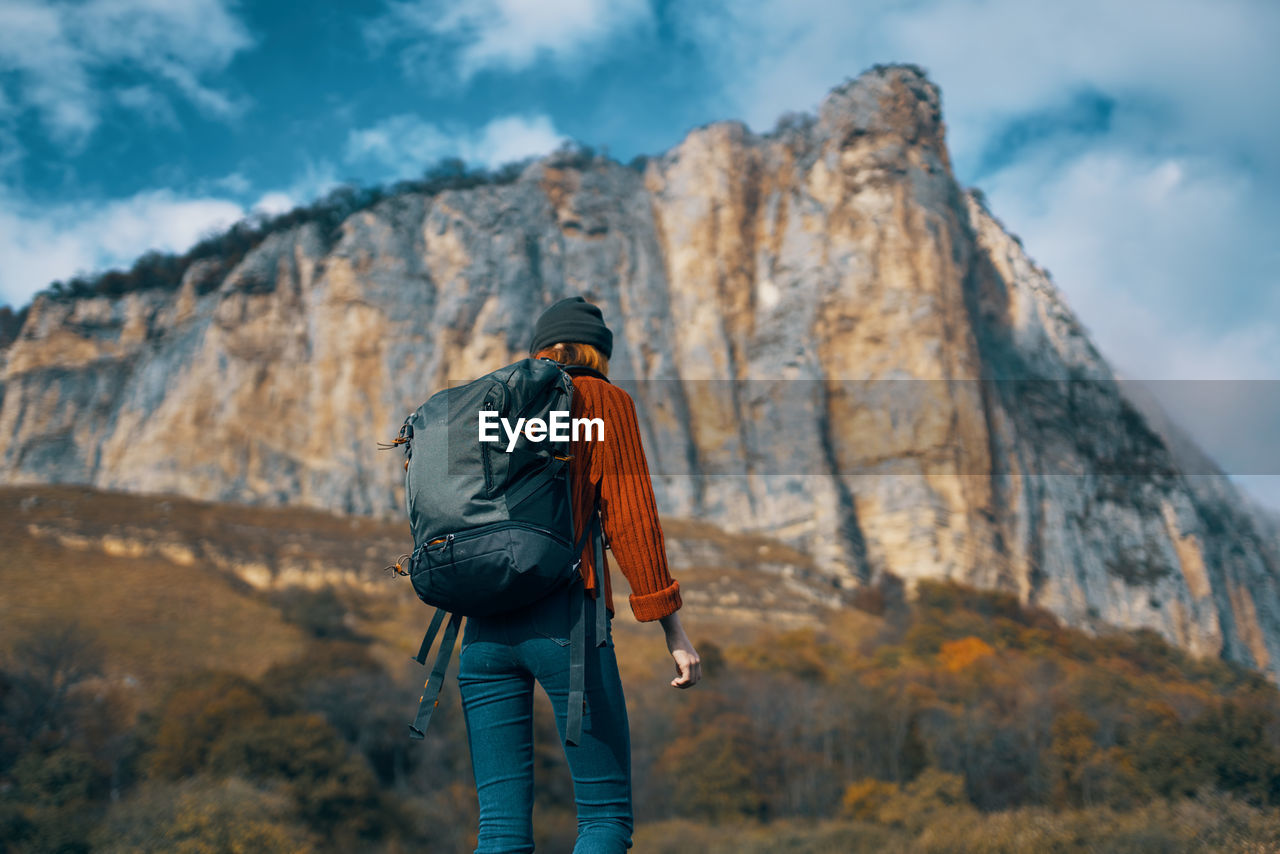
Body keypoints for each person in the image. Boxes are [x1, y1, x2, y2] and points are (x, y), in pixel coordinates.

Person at [456, 295, 701, 853]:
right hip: (565, 624)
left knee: (499, 830)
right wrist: (672, 629)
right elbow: (630, 517)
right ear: (598, 352)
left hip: (483, 629)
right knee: (604, 817)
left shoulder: (494, 404)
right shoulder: (601, 401)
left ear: (541, 349)